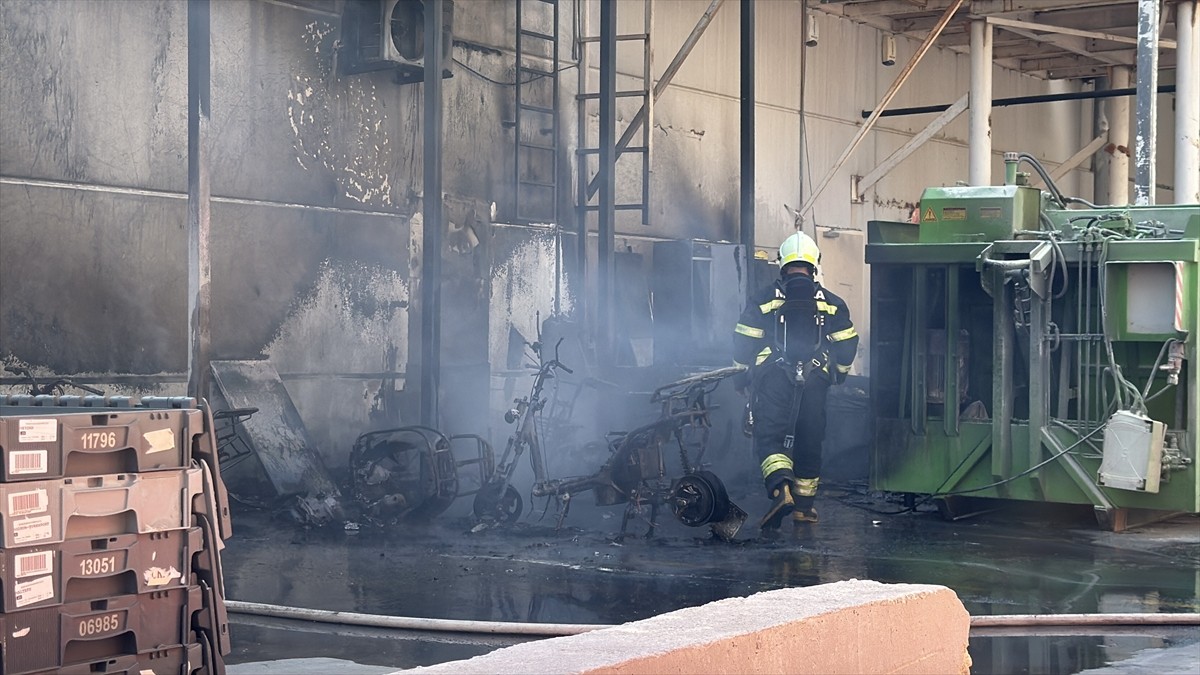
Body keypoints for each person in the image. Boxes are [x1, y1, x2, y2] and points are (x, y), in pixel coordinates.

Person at [732, 231, 859, 535]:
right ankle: (804, 508)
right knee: (810, 438)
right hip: (815, 380)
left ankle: (780, 490)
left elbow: (743, 341)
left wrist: (741, 376)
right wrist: (838, 373)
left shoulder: (764, 299)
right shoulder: (832, 303)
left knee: (769, 435)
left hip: (773, 378)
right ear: (815, 264)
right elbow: (848, 343)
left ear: (782, 264)